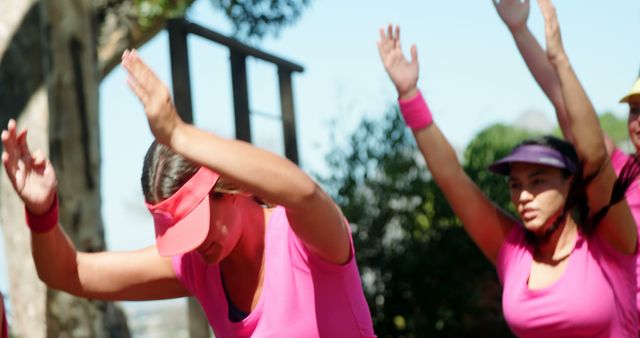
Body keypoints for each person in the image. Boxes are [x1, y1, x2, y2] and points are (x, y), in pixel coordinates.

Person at [1, 49, 376, 337]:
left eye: (196, 226)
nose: (195, 246)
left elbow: (305, 193)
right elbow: (68, 273)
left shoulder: (306, 243)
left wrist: (179, 134)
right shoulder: (199, 266)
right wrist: (43, 210)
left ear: (229, 188)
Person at [376, 3, 637, 336]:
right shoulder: (514, 251)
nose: (523, 195)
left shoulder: (611, 241)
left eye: (539, 181)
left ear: (571, 184)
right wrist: (409, 94)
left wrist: (560, 61)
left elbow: (594, 155)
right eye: (515, 184)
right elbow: (451, 177)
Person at [493, 0, 640, 323]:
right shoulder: (617, 171)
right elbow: (562, 100)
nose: (638, 121)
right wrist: (520, 30)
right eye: (635, 110)